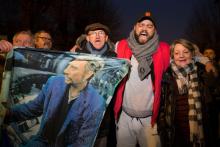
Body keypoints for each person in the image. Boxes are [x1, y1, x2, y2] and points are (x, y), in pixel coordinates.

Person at [113, 14, 215, 147]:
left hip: (150, 121)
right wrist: (81, 44)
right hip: (124, 118)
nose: (144, 29)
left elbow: (185, 55)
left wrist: (206, 61)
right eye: (141, 25)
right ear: (135, 27)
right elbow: (102, 54)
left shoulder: (163, 49)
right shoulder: (120, 46)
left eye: (149, 26)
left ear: (154, 31)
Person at [1, 59, 105, 146]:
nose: (65, 71)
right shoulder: (54, 82)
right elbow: (34, 108)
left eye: (73, 68)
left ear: (88, 74)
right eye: (68, 66)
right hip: (41, 141)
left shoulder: (96, 103)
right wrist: (7, 113)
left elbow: (83, 143)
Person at [158, 39, 216, 147]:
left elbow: (211, 105)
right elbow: (162, 107)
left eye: (185, 52)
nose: (181, 56)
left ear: (192, 54)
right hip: (175, 135)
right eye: (177, 53)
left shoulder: (202, 73)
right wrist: (163, 129)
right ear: (172, 56)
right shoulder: (166, 76)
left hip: (200, 133)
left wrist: (207, 62)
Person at [71, 23, 116, 147]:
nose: (97, 36)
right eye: (93, 33)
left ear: (106, 38)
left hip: (102, 121)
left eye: (101, 33)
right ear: (87, 38)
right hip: (77, 119)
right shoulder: (75, 55)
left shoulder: (115, 59)